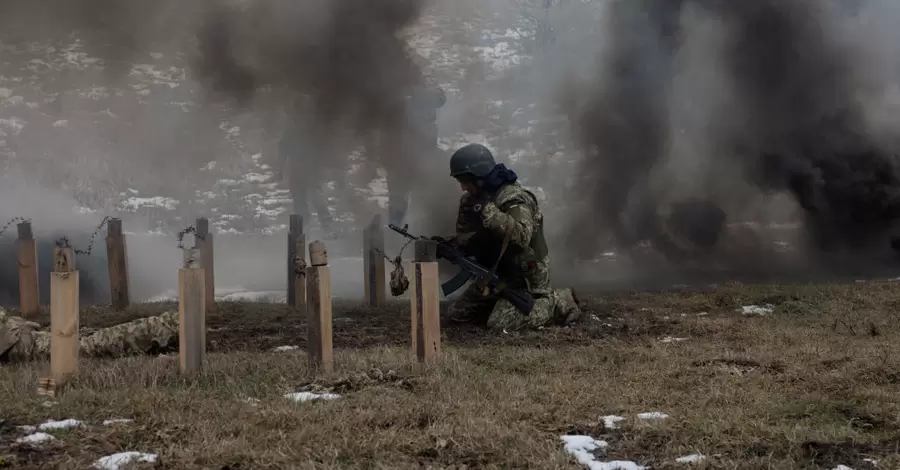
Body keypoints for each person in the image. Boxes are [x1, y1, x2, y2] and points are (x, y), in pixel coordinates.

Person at [435, 143, 582, 331]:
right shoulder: (471, 200)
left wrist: (487, 210)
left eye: (465, 180)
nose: (463, 187)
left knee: (499, 324)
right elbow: (470, 237)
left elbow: (522, 236)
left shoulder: (513, 197)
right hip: (496, 275)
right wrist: (451, 244)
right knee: (458, 315)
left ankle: (558, 301)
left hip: (525, 277)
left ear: (479, 177)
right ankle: (503, 306)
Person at [384, 59, 446, 227]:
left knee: (428, 194)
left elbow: (440, 97)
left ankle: (429, 228)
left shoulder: (425, 83)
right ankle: (394, 230)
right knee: (397, 197)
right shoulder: (394, 88)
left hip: (424, 151)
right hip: (400, 153)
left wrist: (415, 92)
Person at [0, 308, 178, 362]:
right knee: (88, 345)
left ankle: (167, 328)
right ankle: (166, 328)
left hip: (19, 339)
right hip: (19, 341)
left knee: (89, 343)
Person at [278, 96, 335, 233]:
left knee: (310, 198)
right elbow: (283, 149)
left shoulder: (306, 127)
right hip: (302, 169)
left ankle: (320, 226)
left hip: (308, 168)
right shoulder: (295, 128)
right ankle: (309, 227)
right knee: (304, 200)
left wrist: (280, 168)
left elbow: (283, 149)